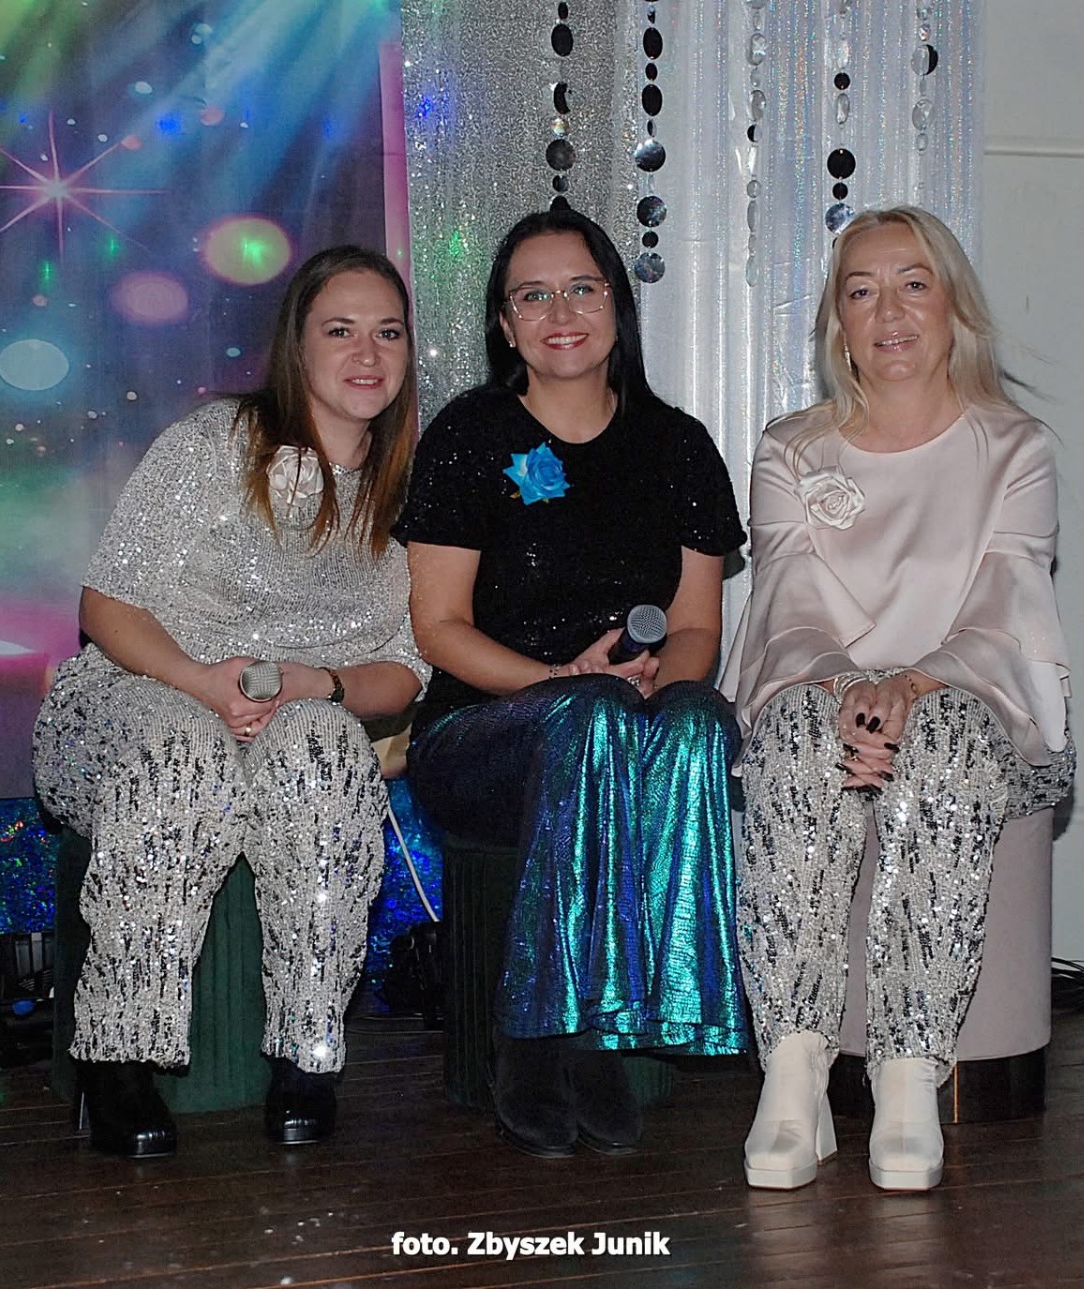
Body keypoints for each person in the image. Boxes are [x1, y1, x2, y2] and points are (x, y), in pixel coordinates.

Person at [32, 246, 427, 1159]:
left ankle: (305, 1054)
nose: (367, 353)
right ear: (298, 344)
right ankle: (118, 1059)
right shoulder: (218, 443)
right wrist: (201, 682)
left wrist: (314, 683)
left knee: (325, 748)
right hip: (142, 692)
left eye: (388, 333)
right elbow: (107, 604)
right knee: (188, 755)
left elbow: (405, 671)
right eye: (340, 330)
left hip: (289, 717)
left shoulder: (412, 487)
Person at [721, 206, 1075, 1193]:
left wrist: (911, 687)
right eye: (862, 290)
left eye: (913, 284)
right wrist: (847, 690)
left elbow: (1007, 606)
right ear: (837, 321)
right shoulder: (791, 449)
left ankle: (909, 1072)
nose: (889, 311)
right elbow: (788, 607)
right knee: (795, 732)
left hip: (975, 698)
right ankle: (793, 1071)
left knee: (947, 737)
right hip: (825, 690)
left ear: (953, 306)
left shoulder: (1017, 447)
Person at [396, 206, 748, 1159]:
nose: (561, 312)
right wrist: (560, 680)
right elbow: (439, 628)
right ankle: (540, 1037)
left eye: (581, 288)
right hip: (482, 732)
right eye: (533, 295)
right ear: (505, 326)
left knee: (700, 723)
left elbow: (697, 626)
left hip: (621, 712)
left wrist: (654, 694)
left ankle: (637, 1018)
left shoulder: (677, 445)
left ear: (616, 306)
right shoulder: (470, 436)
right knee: (588, 715)